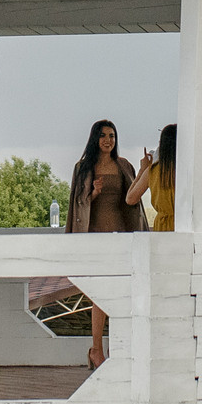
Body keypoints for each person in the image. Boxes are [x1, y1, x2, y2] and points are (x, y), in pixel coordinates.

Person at [66, 119, 140, 366]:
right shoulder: (84, 167)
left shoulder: (123, 166)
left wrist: (146, 170)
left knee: (121, 292)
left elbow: (133, 199)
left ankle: (119, 350)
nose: (108, 140)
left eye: (112, 136)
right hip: (95, 236)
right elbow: (77, 203)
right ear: (95, 139)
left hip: (120, 234)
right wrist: (94, 193)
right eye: (104, 135)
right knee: (100, 293)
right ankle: (96, 349)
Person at [127, 124, 177, 232]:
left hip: (162, 227)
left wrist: (142, 170)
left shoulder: (154, 170)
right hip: (184, 225)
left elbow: (130, 199)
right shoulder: (188, 170)